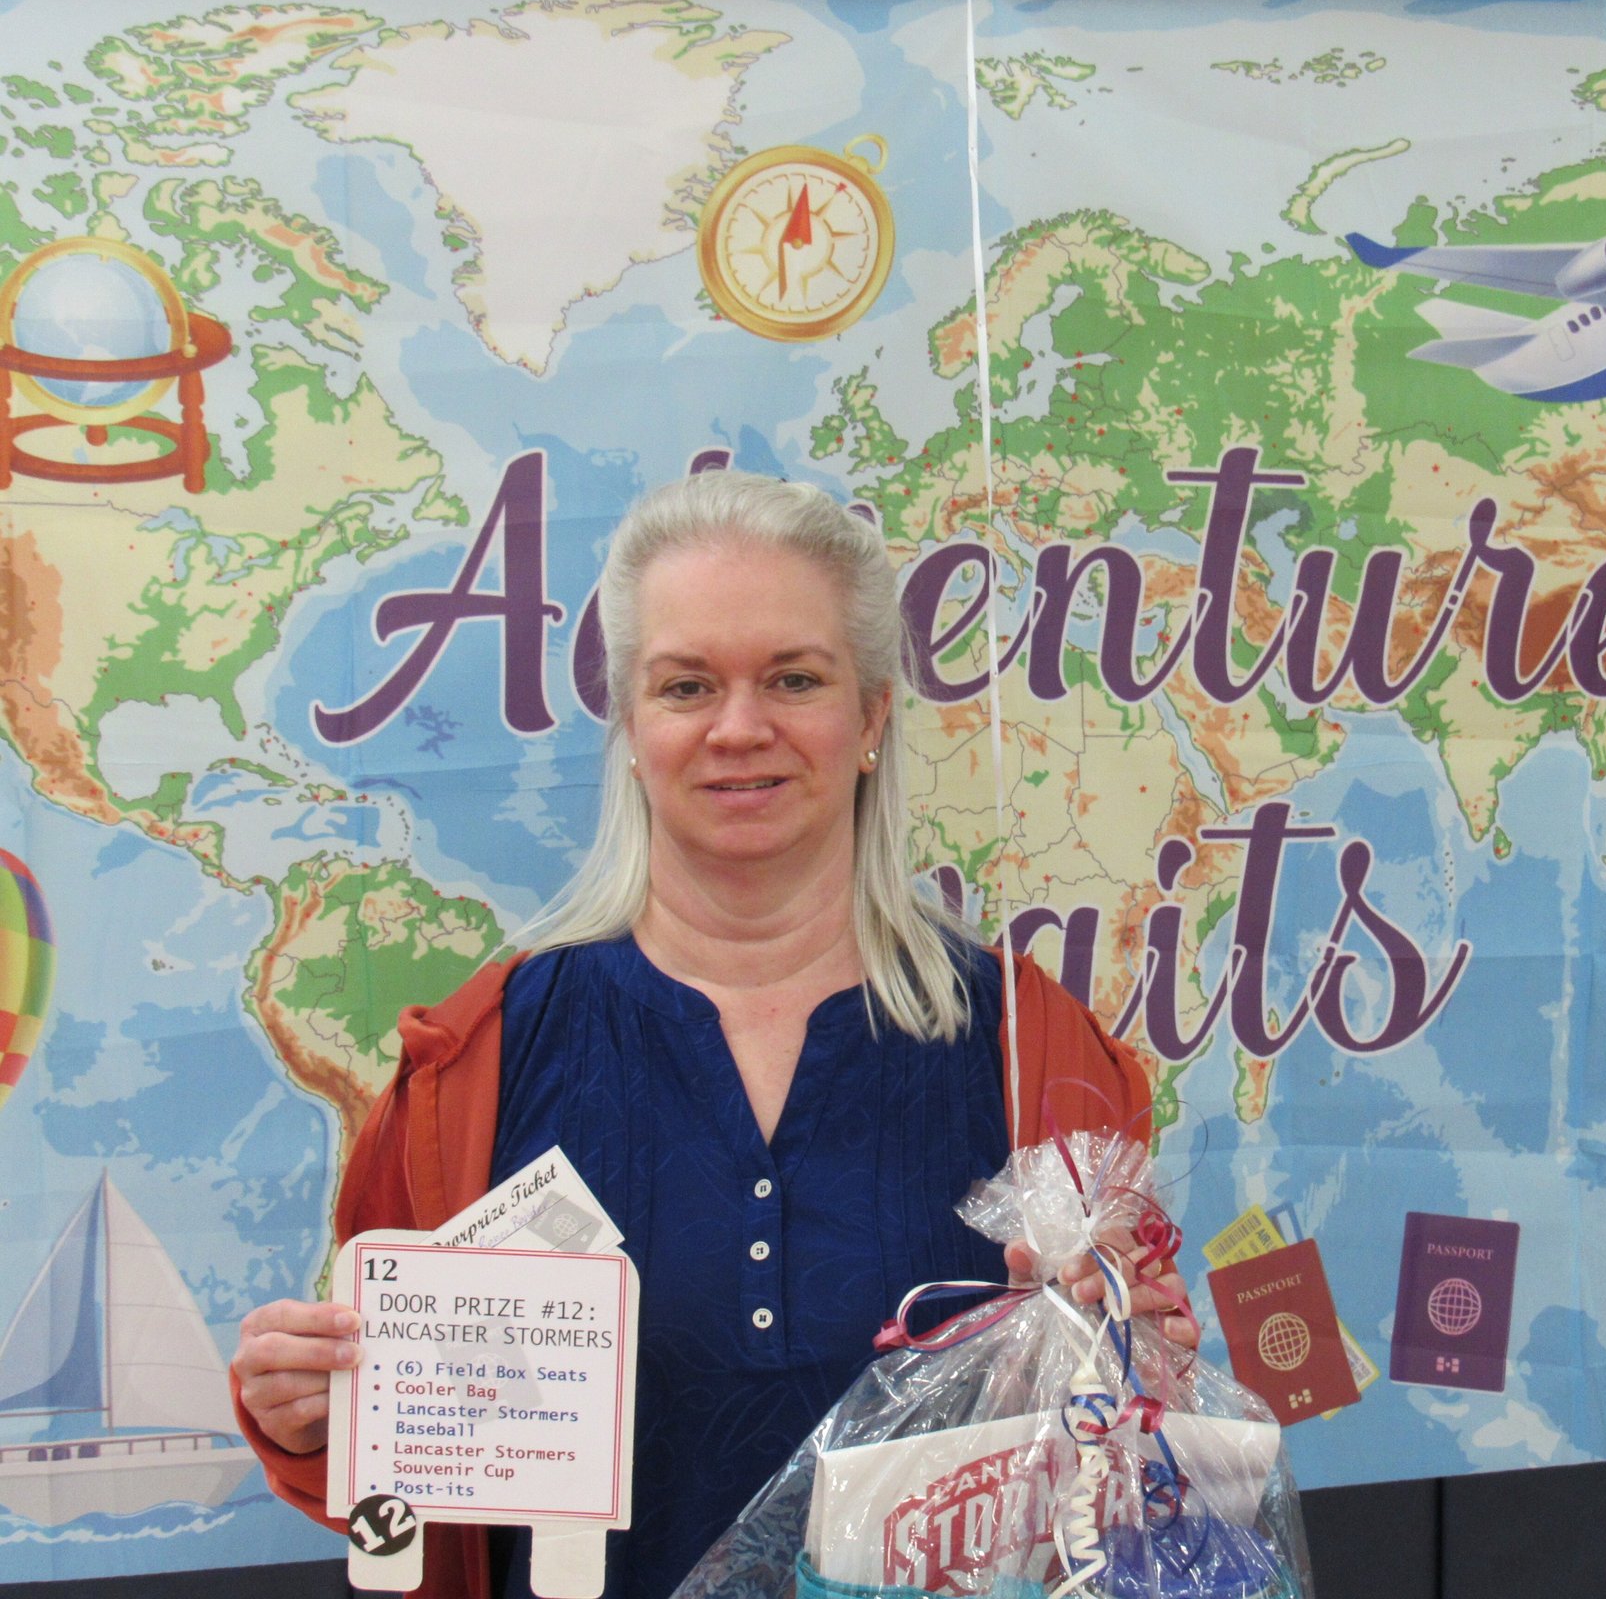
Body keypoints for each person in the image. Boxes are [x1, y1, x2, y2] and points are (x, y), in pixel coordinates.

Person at [231, 470, 1194, 1599]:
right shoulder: (483, 1059)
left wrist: (1142, 1362)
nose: (740, 728)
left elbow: (1125, 1447)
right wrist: (309, 1408)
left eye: (793, 677)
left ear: (873, 712)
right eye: (687, 685)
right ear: (631, 727)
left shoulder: (1033, 1049)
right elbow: (387, 1465)